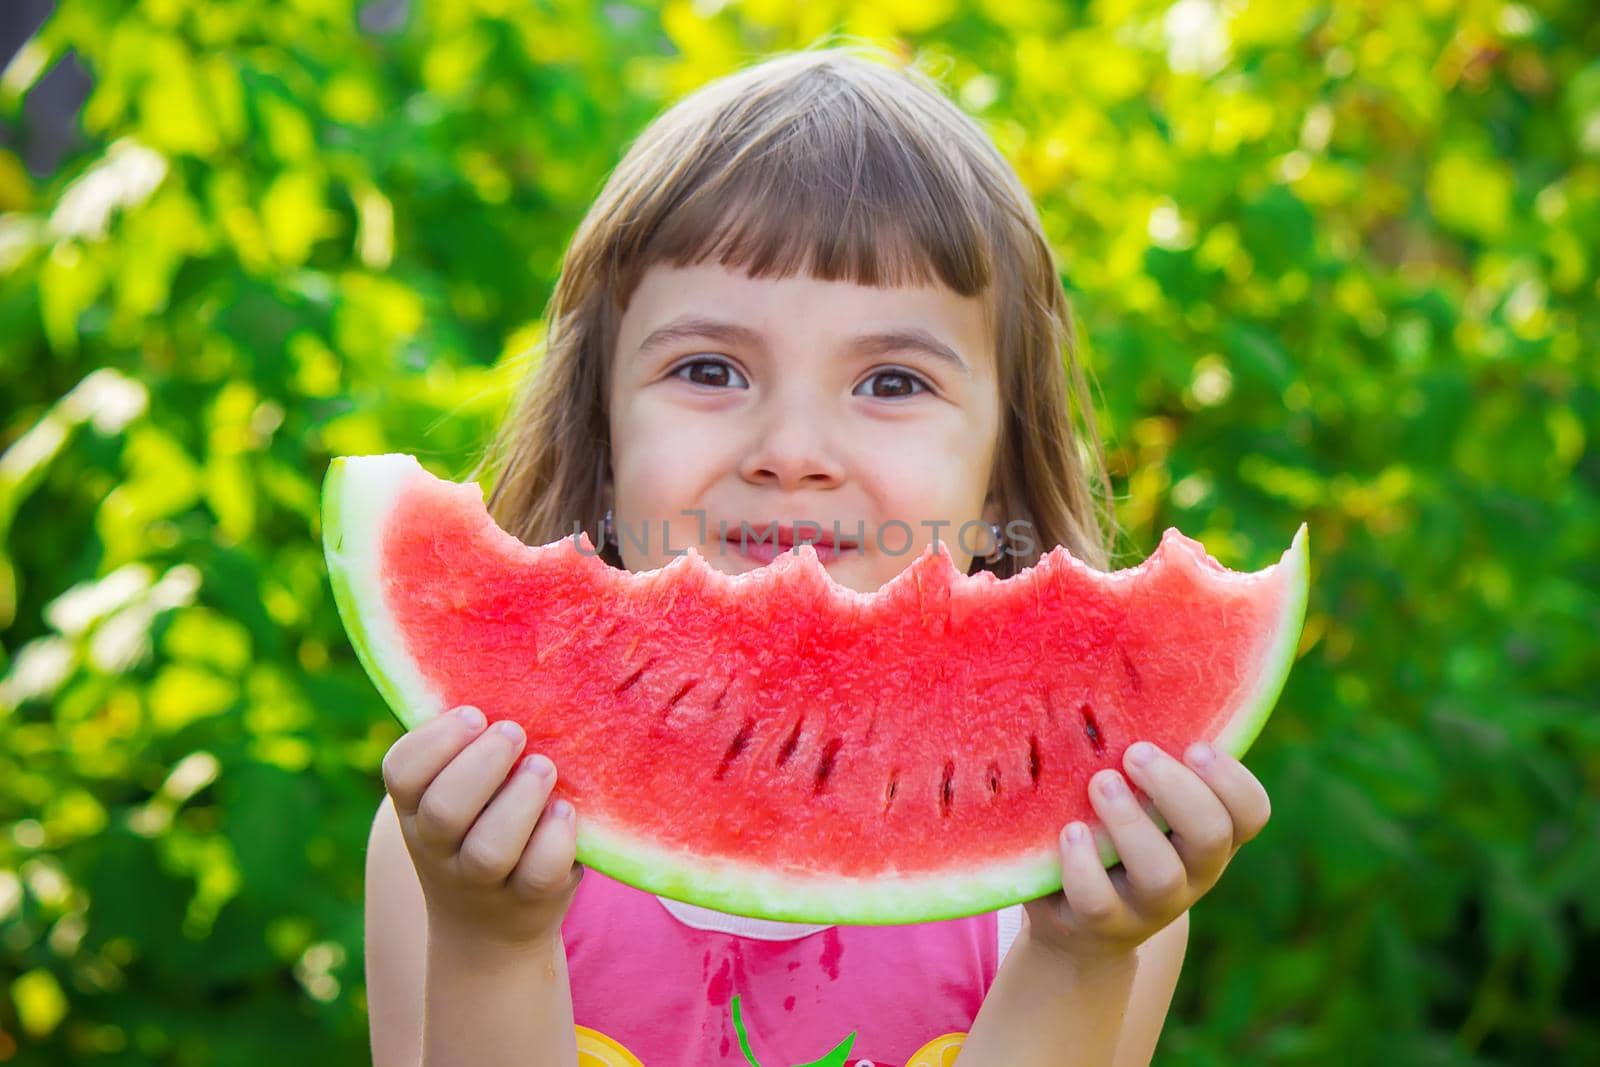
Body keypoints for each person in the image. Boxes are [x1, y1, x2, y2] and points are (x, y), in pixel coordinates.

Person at [363, 43, 1273, 1067]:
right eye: (709, 368)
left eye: (890, 382)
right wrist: (491, 940)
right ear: (601, 441)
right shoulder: (460, 828)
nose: (791, 453)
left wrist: (1078, 958)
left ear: (999, 478)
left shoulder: (1088, 862)